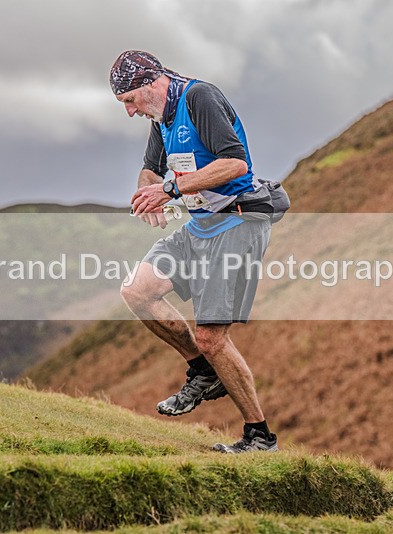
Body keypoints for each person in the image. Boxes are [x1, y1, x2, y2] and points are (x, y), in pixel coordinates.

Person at [109, 50, 277, 453]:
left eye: (130, 101)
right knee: (137, 291)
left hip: (238, 222)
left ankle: (260, 437)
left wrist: (170, 190)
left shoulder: (198, 98)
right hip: (201, 226)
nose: (130, 112)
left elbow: (236, 164)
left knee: (211, 337)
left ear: (150, 83)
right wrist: (147, 194)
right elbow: (151, 170)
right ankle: (203, 373)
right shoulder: (160, 117)